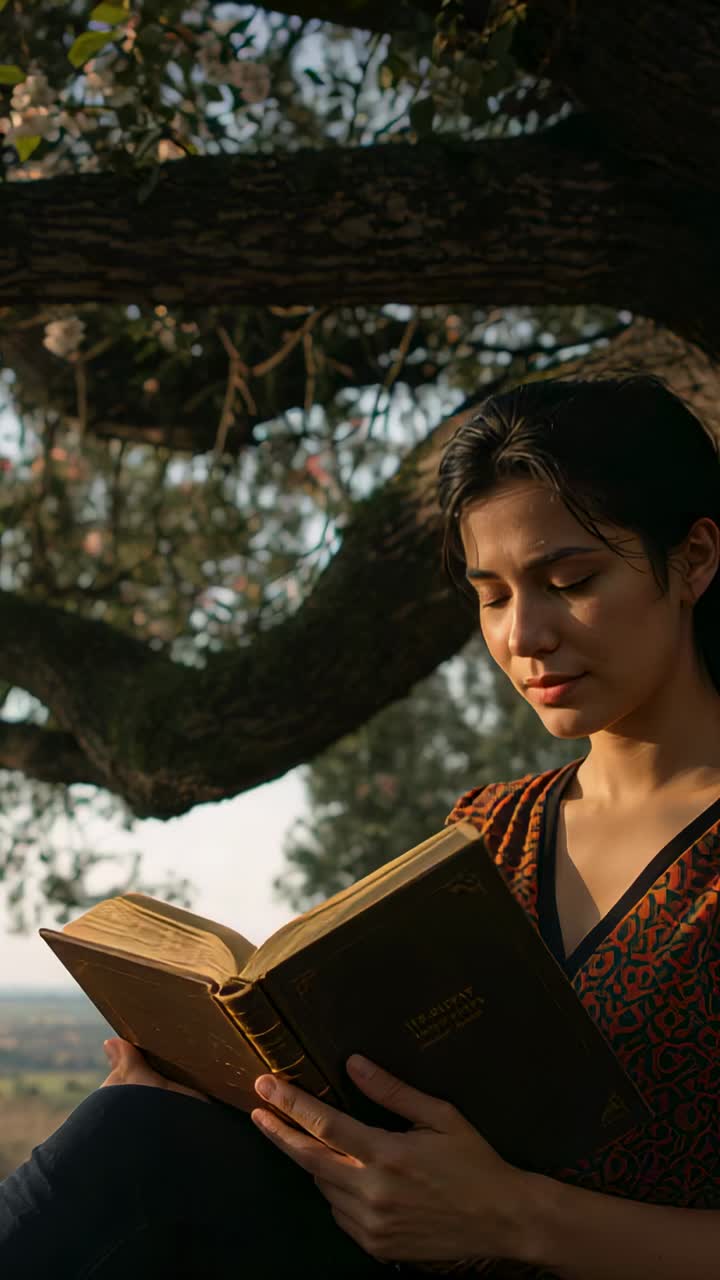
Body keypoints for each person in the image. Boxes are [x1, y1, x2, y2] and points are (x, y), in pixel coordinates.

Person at [2, 373, 720, 1278]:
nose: (524, 635)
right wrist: (218, 1086)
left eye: (570, 581)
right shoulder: (488, 834)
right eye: (492, 596)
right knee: (142, 1129)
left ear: (693, 559)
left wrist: (516, 1219)